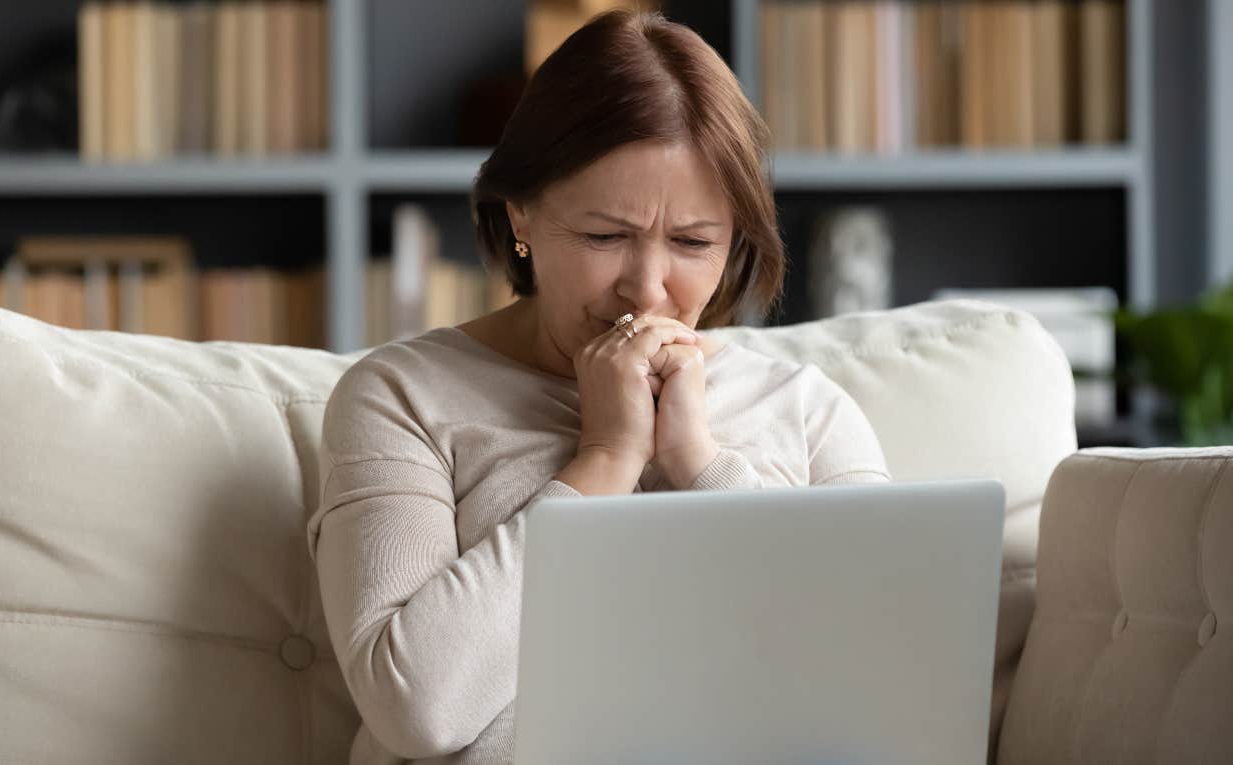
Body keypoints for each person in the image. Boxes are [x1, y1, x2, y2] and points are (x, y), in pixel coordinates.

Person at [307, 10, 890, 764]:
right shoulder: (401, 398)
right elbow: (420, 709)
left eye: (692, 242)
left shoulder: (808, 410)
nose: (647, 291)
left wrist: (698, 463)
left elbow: (875, 687)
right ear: (521, 212)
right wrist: (606, 460)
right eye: (605, 236)